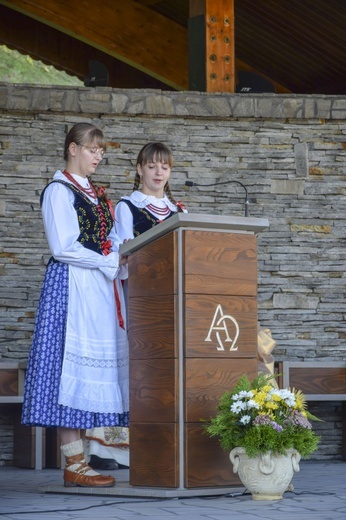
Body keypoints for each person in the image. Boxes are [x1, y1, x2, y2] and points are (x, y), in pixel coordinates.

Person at [21, 122, 129, 488]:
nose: (98, 155)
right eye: (92, 148)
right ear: (72, 149)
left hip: (97, 285)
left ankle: (80, 463)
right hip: (71, 285)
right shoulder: (58, 191)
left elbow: (108, 237)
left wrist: (115, 251)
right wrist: (105, 261)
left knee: (89, 373)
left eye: (101, 150)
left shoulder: (96, 194)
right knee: (70, 369)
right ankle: (74, 463)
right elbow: (63, 246)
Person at [86, 141, 186, 468]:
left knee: (164, 371)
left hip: (175, 301)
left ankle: (157, 445)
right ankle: (108, 450)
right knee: (131, 368)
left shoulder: (179, 212)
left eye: (165, 167)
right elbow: (121, 256)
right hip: (139, 299)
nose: (159, 172)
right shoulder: (127, 207)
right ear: (140, 169)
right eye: (152, 166)